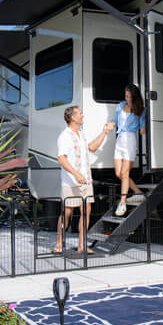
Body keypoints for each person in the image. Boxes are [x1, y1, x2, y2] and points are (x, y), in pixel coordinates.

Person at [55, 105, 113, 254]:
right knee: (67, 212)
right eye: (80, 113)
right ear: (72, 117)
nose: (82, 115)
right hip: (70, 181)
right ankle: (59, 242)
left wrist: (104, 132)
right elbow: (61, 158)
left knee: (86, 211)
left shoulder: (81, 134)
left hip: (86, 180)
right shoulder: (65, 136)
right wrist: (76, 174)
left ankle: (82, 244)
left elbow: (92, 148)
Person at [113, 83, 146, 216]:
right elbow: (115, 120)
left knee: (125, 173)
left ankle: (123, 202)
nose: (127, 98)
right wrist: (110, 123)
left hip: (130, 140)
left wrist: (144, 128)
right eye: (126, 96)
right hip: (119, 139)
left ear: (134, 96)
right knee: (119, 174)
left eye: (129, 96)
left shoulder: (140, 109)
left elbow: (142, 127)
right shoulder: (121, 105)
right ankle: (138, 193)